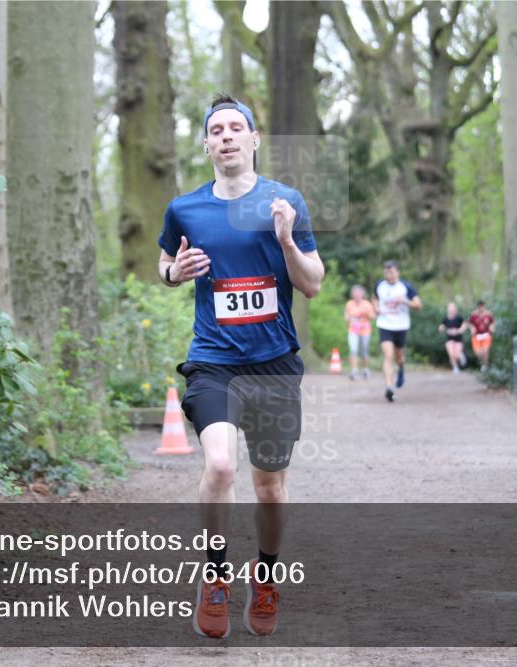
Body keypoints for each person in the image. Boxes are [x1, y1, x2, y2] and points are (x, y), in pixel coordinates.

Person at [157, 94, 324, 639]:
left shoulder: (285, 201)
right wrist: (174, 272)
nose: (226, 136)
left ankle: (267, 576)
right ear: (207, 144)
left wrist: (284, 241)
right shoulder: (186, 208)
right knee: (222, 467)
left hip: (275, 364)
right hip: (214, 362)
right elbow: (164, 261)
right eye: (216, 130)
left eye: (236, 128)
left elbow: (312, 283)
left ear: (254, 140)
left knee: (270, 487)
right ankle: (213, 577)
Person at [372, 260, 422, 402]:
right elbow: (374, 297)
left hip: (401, 326)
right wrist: (375, 307)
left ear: (398, 272)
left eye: (392, 272)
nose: (390, 275)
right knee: (388, 355)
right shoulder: (379, 285)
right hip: (384, 324)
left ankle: (401, 368)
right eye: (387, 272)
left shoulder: (405, 287)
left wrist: (405, 301)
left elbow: (418, 304)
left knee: (399, 357)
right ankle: (389, 387)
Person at [344, 285, 376, 380]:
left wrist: (367, 314)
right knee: (353, 349)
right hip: (353, 330)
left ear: (363, 294)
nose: (357, 294)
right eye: (355, 292)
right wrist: (350, 317)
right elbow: (346, 316)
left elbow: (373, 316)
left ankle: (365, 370)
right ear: (352, 294)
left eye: (359, 292)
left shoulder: (367, 304)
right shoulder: (349, 304)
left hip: (365, 330)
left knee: (364, 351)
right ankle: (354, 371)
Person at [438, 302, 467, 374]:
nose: (451, 310)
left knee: (456, 355)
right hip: (449, 339)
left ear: (455, 309)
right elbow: (442, 326)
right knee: (451, 354)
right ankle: (455, 367)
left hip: (458, 339)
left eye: (452, 308)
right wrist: (441, 328)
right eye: (450, 308)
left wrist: (460, 330)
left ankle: (461, 355)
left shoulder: (459, 317)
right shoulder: (446, 318)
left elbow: (465, 324)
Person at [468, 300, 495, 372]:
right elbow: (470, 323)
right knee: (478, 353)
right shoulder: (473, 314)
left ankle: (485, 366)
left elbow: (492, 323)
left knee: (485, 351)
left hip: (486, 335)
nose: (480, 307)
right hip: (477, 336)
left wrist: (492, 328)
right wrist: (472, 328)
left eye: (482, 306)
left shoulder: (488, 314)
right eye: (479, 306)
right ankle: (482, 363)